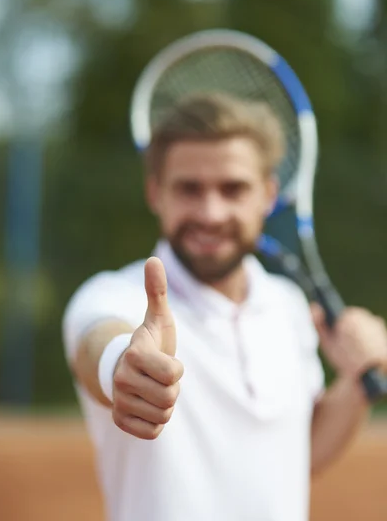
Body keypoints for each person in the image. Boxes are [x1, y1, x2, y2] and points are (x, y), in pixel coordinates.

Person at [62, 92, 387, 521]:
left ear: (268, 195)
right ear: (155, 193)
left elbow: (296, 457)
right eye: (189, 189)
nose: (211, 213)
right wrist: (120, 365)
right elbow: (95, 343)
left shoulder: (290, 307)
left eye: (233, 189)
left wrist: (358, 378)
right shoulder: (113, 296)